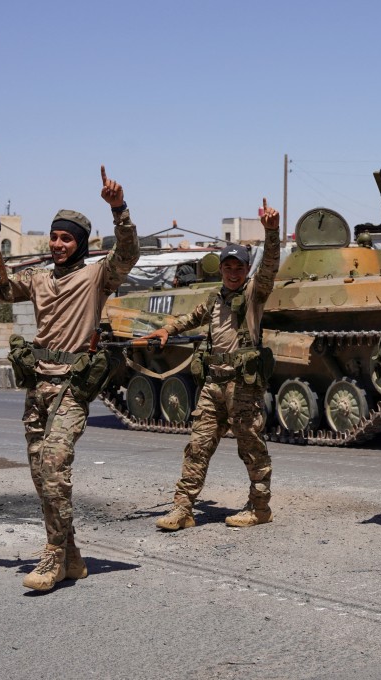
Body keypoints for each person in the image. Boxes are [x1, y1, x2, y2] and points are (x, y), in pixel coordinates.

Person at [0, 166, 139, 592]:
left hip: (71, 388)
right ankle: (73, 556)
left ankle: (51, 556)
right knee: (39, 475)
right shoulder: (39, 278)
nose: (58, 244)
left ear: (79, 243)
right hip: (39, 387)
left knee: (54, 468)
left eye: (66, 238)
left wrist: (118, 208)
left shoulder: (96, 275)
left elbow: (128, 254)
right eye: (54, 237)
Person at [147, 199, 280, 531]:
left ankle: (260, 507)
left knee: (251, 446)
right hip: (214, 384)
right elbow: (189, 319)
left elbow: (270, 267)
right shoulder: (214, 298)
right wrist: (166, 329)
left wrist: (272, 232)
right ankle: (183, 508)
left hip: (243, 386)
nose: (233, 273)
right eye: (227, 267)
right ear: (220, 269)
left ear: (246, 270)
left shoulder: (254, 294)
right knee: (197, 447)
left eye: (239, 268)